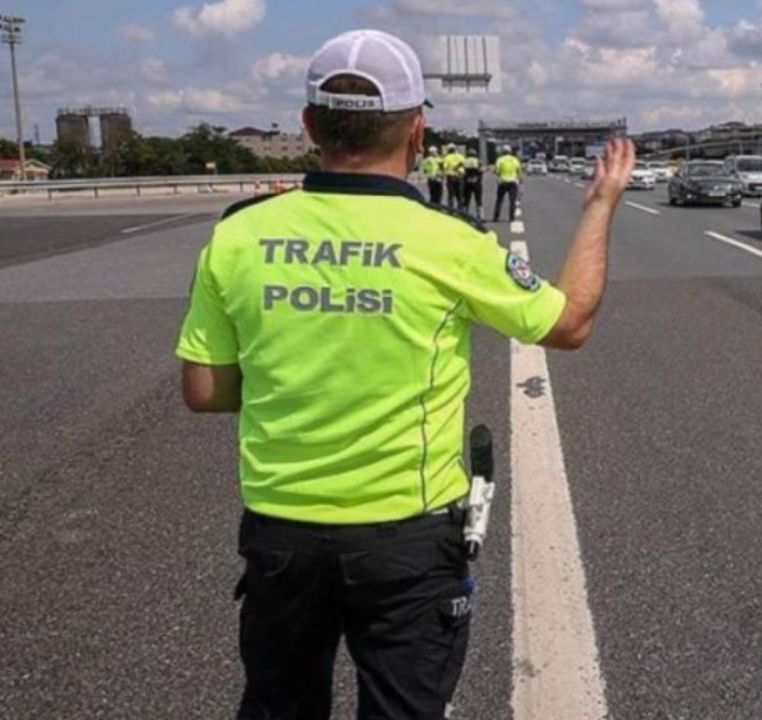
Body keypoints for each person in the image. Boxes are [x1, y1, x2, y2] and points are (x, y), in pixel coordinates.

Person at [174, 28, 635, 720]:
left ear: (307, 126)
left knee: (277, 707)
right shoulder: (451, 242)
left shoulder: (238, 235)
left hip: (281, 536)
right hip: (406, 539)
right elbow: (568, 325)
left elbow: (204, 390)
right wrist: (600, 208)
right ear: (418, 130)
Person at [492, 145, 522, 223]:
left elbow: (496, 171)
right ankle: (511, 218)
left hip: (502, 182)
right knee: (512, 201)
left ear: (503, 152)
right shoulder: (515, 159)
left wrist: (499, 175)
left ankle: (496, 217)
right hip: (513, 182)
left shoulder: (500, 159)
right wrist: (520, 179)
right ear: (510, 152)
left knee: (499, 200)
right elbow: (518, 171)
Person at [462, 147, 484, 217]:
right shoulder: (478, 161)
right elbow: (481, 171)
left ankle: (465, 214)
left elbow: (461, 171)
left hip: (467, 182)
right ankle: (480, 215)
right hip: (476, 182)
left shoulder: (464, 161)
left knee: (466, 199)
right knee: (478, 199)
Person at [442, 143, 466, 209]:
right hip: (459, 177)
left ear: (448, 150)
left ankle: (451, 210)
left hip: (450, 177)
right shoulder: (461, 156)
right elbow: (464, 165)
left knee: (451, 195)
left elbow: (445, 167)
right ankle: (461, 210)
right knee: (460, 195)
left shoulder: (447, 158)